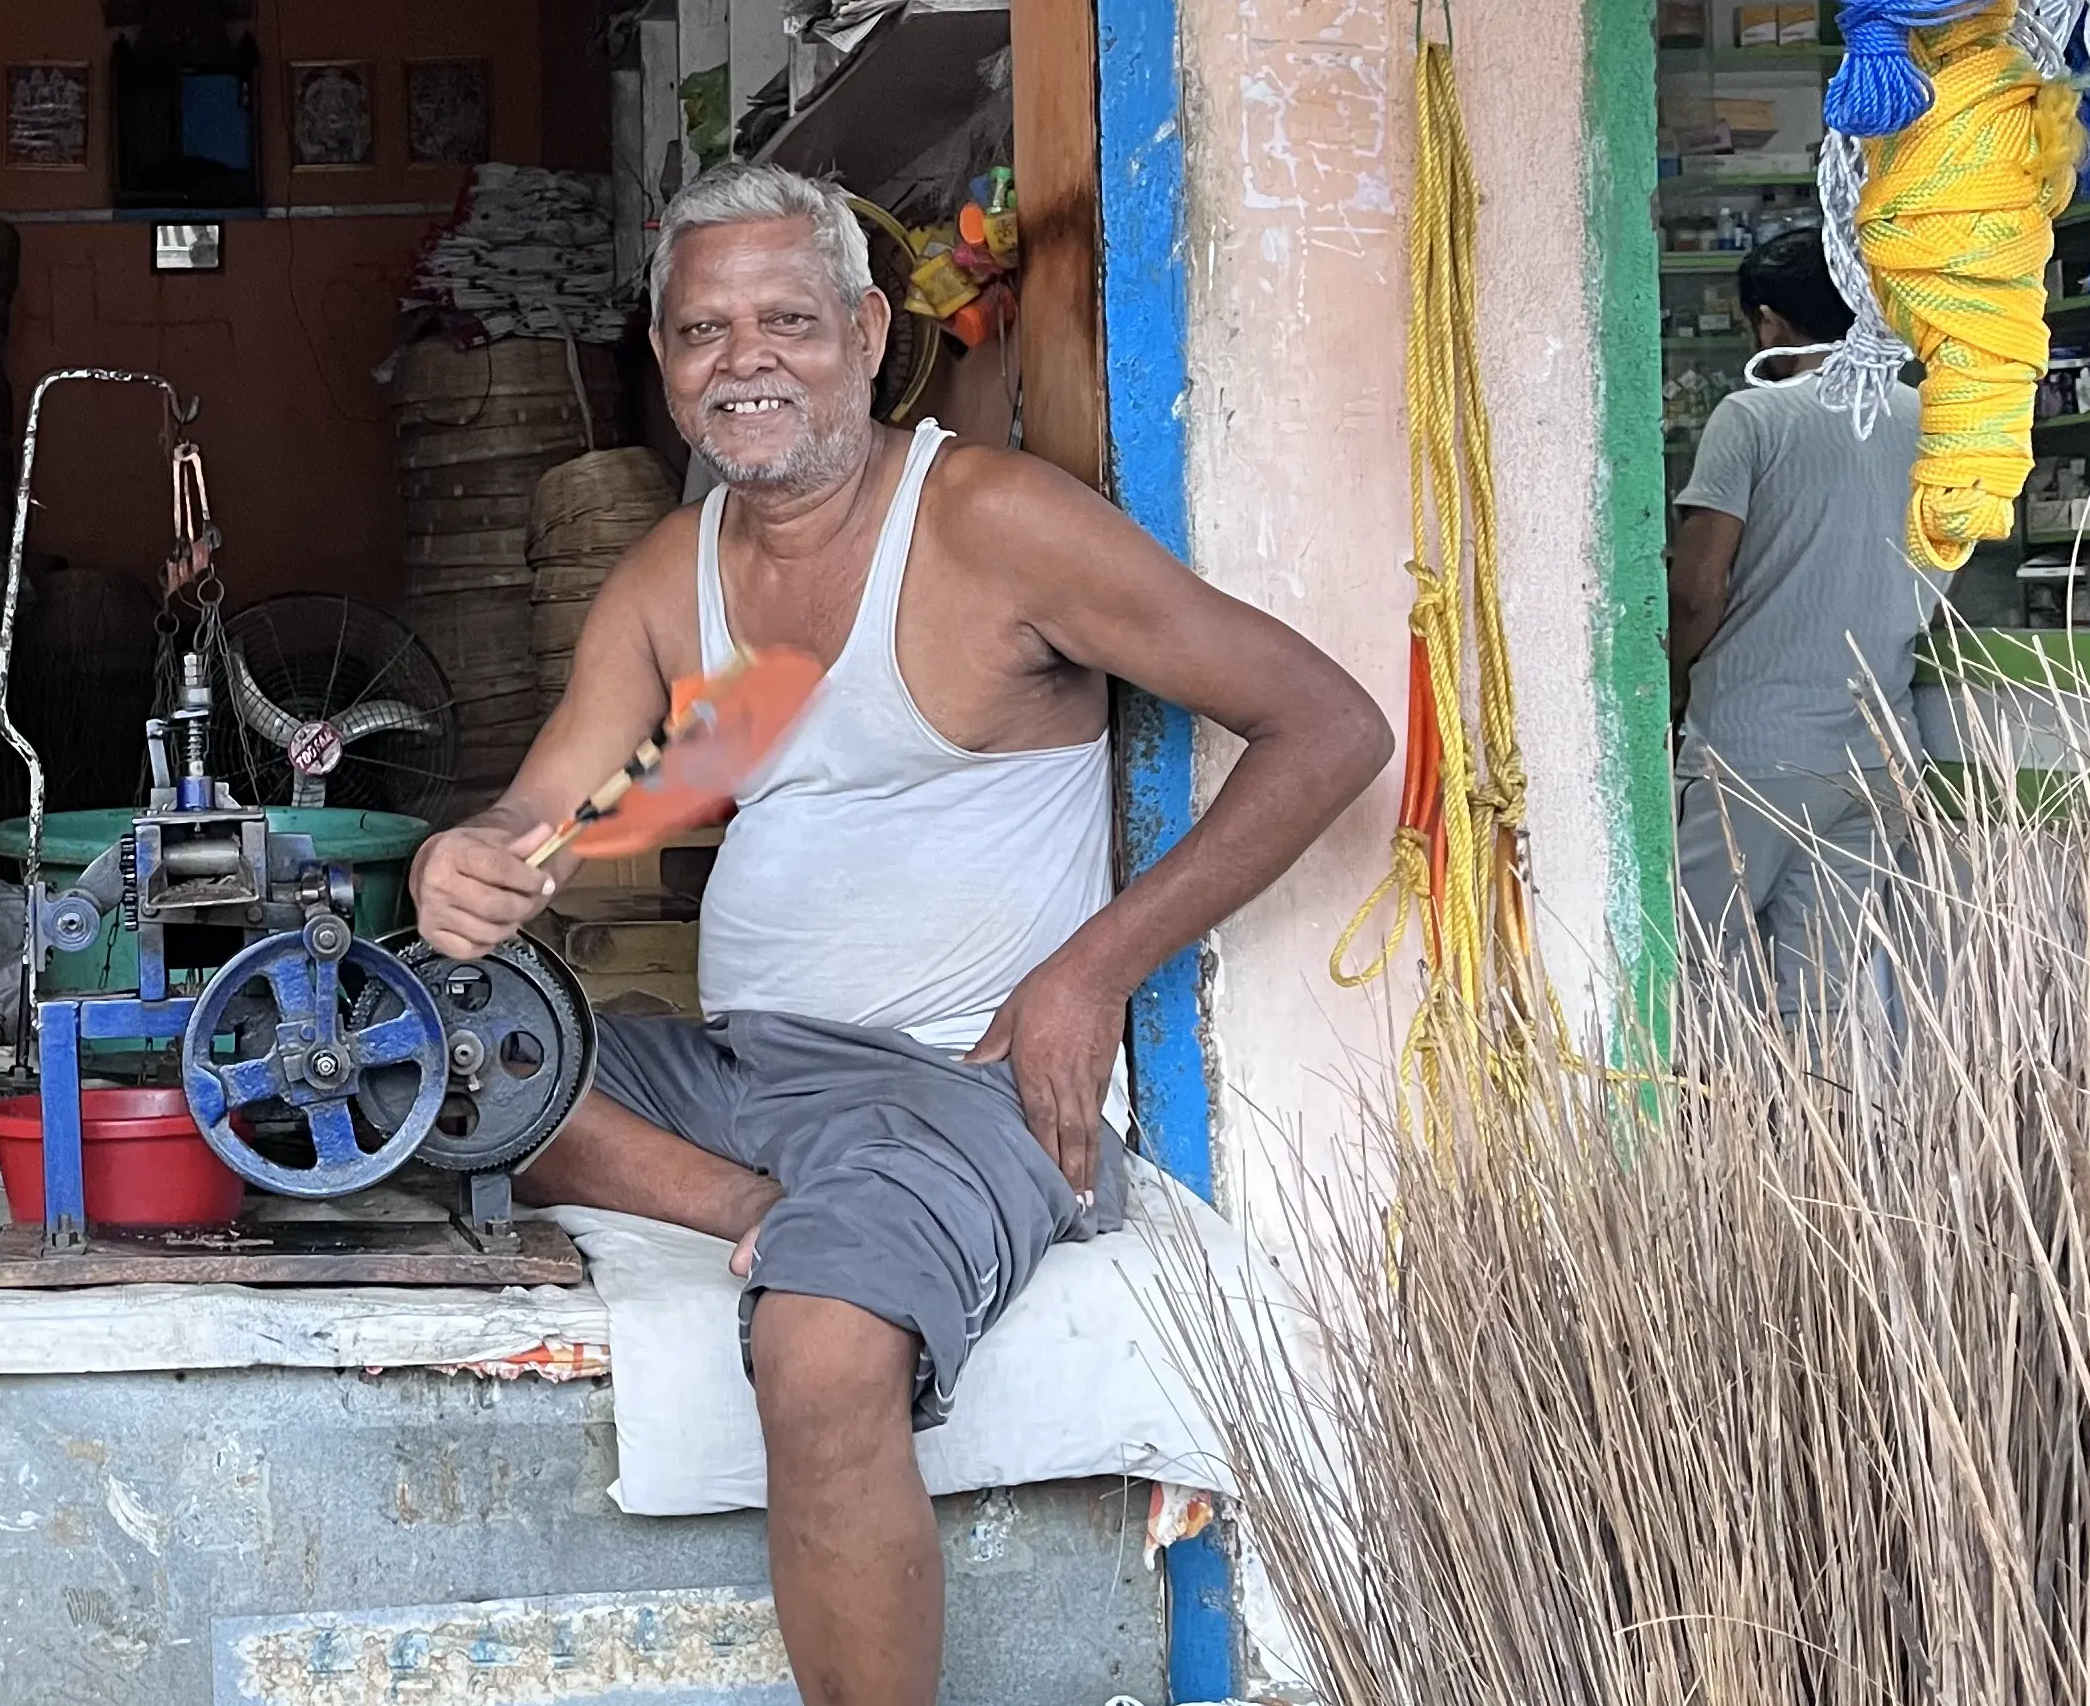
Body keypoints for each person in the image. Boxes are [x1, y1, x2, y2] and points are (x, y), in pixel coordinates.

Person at [407, 164, 1389, 1706]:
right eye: (703, 331)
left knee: (821, 1347)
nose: (745, 361)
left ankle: (795, 1229)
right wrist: (467, 865)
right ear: (663, 363)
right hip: (746, 1078)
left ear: (868, 332)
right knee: (423, 1069)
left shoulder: (995, 525)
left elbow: (1329, 728)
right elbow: (550, 820)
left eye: (787, 319)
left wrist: (1090, 969)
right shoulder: (678, 577)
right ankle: (754, 1197)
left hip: (950, 1085)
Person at [1665, 226, 1939, 1022]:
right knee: (1818, 999)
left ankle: (1693, 1145)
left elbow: (1695, 589)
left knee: (1686, 970)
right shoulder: (1926, 417)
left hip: (1752, 751)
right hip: (1880, 751)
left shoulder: (1753, 417)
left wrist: (1675, 684)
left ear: (1769, 323)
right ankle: (1811, 1147)